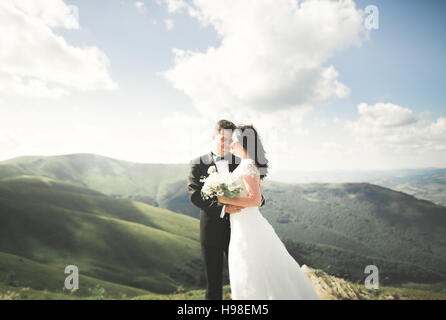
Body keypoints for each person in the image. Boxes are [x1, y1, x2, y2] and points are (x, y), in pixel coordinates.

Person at [217, 124, 320, 300]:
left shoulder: (248, 165)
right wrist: (226, 205)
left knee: (250, 268)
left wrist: (225, 199)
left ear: (244, 142)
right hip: (242, 224)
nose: (231, 144)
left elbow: (255, 199)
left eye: (233, 141)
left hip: (249, 227)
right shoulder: (245, 164)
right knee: (250, 268)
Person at [187, 120, 265, 300]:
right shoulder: (198, 163)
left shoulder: (241, 162)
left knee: (243, 275)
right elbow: (195, 195)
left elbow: (252, 189)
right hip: (211, 229)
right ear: (214, 137)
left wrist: (257, 200)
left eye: (231, 140)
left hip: (239, 229)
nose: (227, 144)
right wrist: (224, 209)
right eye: (223, 139)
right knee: (213, 281)